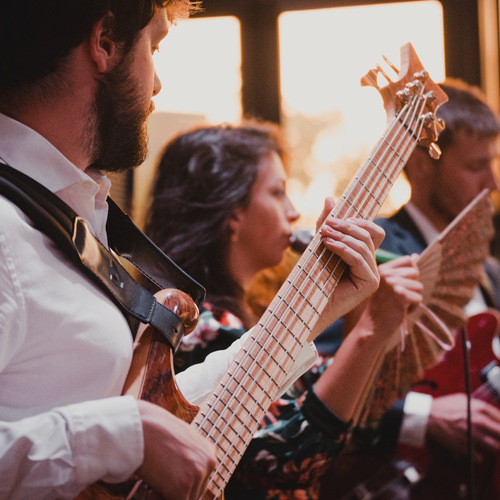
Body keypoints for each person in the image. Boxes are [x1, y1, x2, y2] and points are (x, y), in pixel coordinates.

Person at [0, 2, 386, 499]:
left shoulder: (65, 216)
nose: (157, 84)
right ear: (106, 43)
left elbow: (169, 418)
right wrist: (118, 433)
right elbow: (134, 431)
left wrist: (314, 308)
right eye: (154, 47)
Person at [144, 120, 423, 499]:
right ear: (233, 213)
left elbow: (350, 420)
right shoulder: (198, 323)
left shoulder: (250, 310)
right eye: (278, 192)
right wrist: (370, 330)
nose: (293, 212)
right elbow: (281, 461)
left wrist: (359, 312)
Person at [320, 78, 500, 500]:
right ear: (421, 166)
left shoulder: (491, 273)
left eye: (493, 163)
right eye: (476, 167)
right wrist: (424, 415)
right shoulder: (372, 249)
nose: (492, 183)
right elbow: (319, 371)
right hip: (388, 480)